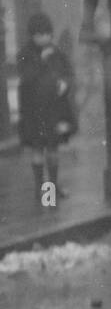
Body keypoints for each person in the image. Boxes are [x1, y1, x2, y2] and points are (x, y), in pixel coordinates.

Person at [17, 12, 76, 206]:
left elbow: (68, 72)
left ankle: (53, 185)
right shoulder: (25, 54)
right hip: (33, 111)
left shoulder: (57, 53)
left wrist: (65, 84)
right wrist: (41, 61)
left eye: (47, 34)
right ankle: (39, 187)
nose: (43, 38)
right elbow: (26, 78)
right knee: (37, 148)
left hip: (53, 110)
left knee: (52, 148)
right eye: (39, 34)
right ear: (32, 36)